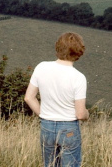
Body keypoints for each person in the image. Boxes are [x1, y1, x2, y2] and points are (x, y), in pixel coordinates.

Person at [24, 32, 89, 167]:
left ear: (58, 47)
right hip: (69, 128)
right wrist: (87, 114)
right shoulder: (78, 77)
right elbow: (80, 114)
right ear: (79, 52)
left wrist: (44, 114)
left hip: (46, 125)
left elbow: (29, 97)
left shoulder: (42, 67)